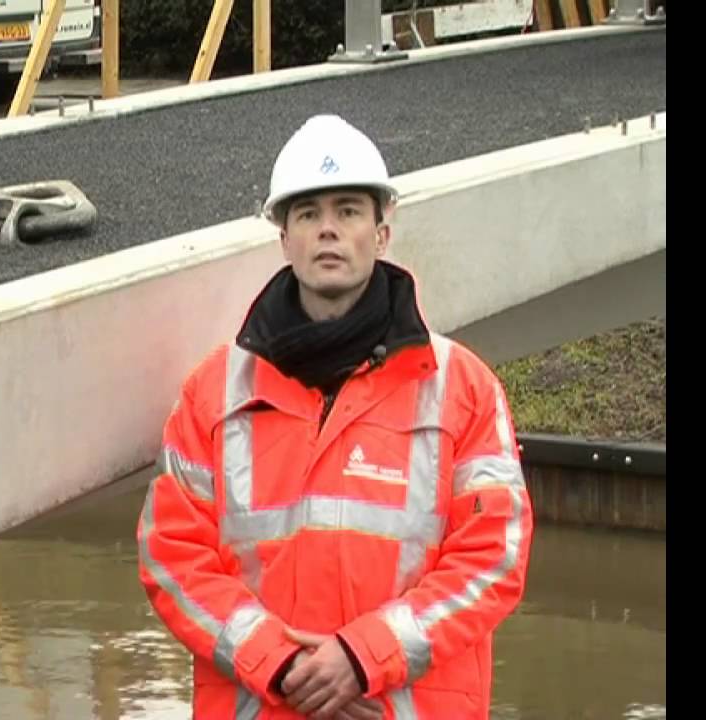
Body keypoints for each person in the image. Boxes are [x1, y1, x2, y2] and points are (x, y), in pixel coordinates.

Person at [136, 114, 534, 720]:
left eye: (348, 211)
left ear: (380, 233)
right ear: (285, 239)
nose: (329, 230)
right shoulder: (212, 393)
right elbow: (172, 559)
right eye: (308, 214)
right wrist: (285, 666)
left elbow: (493, 556)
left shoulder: (462, 388)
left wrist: (363, 659)